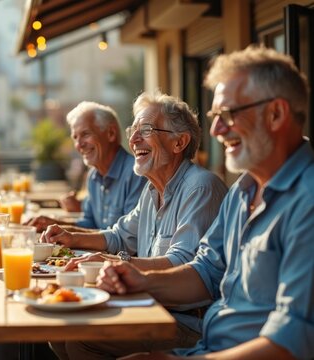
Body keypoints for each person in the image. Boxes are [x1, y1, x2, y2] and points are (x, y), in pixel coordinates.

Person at [96, 46, 313, 360]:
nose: (216, 130)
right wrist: (141, 280)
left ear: (276, 114)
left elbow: (293, 340)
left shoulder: (307, 201)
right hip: (207, 345)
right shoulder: (242, 192)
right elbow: (205, 272)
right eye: (215, 117)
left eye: (227, 115)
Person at [47, 91, 228, 359]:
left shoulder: (200, 187)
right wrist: (71, 238)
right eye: (133, 130)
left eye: (146, 129)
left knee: (80, 341)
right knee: (60, 334)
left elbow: (183, 263)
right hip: (151, 305)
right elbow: (120, 236)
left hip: (187, 322)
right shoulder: (151, 190)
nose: (132, 139)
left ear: (179, 142)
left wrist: (116, 263)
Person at [26, 101, 146, 232]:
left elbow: (127, 238)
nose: (79, 145)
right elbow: (89, 224)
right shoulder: (93, 176)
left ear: (111, 133)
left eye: (85, 134)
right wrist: (54, 224)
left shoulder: (137, 173)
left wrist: (64, 230)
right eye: (75, 137)